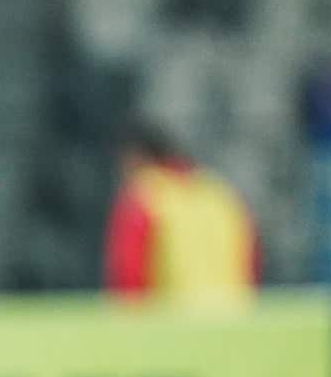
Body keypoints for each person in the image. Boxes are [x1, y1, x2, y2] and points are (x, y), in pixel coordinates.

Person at [104, 121, 260, 303]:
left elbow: (128, 279)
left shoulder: (144, 196)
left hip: (170, 317)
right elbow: (252, 264)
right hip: (235, 315)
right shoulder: (221, 194)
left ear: (134, 157)